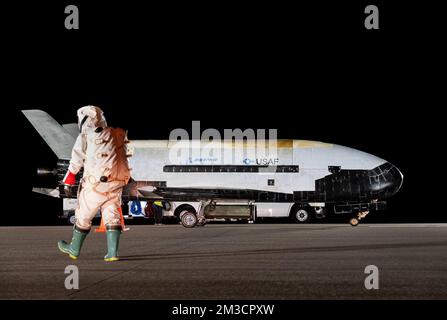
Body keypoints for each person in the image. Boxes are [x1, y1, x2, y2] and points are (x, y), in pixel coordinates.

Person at [58, 106, 131, 262]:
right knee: (112, 216)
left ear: (83, 120)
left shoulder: (86, 135)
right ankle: (112, 253)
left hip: (95, 184)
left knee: (83, 215)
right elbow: (126, 156)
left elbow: (77, 158)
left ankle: (74, 249)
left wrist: (69, 177)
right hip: (116, 183)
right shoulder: (117, 134)